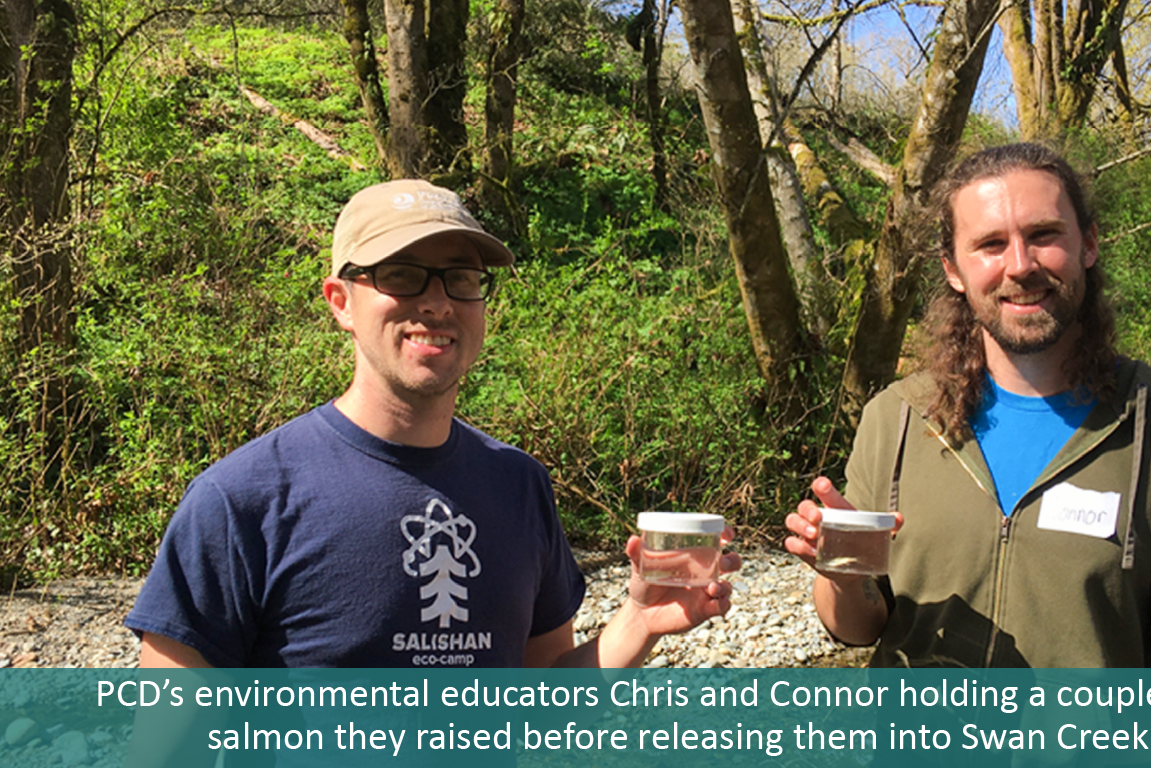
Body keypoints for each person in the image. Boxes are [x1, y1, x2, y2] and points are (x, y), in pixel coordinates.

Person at [125, 179, 738, 669]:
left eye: (461, 278)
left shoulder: (519, 484)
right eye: (401, 274)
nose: (438, 302)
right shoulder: (241, 501)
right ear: (341, 301)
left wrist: (638, 622)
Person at [785, 144, 1151, 761]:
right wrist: (841, 570)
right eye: (990, 245)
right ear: (954, 267)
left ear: (1088, 244)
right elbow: (858, 627)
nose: (1021, 265)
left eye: (1043, 234)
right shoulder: (895, 419)